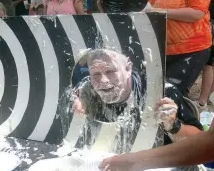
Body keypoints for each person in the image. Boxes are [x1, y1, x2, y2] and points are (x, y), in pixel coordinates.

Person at [73, 49, 202, 153]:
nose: (103, 80)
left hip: (154, 167)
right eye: (96, 74)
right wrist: (78, 103)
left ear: (128, 69)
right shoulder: (87, 90)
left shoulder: (161, 92)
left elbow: (200, 141)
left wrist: (172, 124)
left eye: (110, 71)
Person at [146, 0, 213, 96]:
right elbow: (148, 11)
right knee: (160, 92)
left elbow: (197, 13)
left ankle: (186, 116)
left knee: (171, 93)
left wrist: (161, 11)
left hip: (192, 49)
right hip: (165, 50)